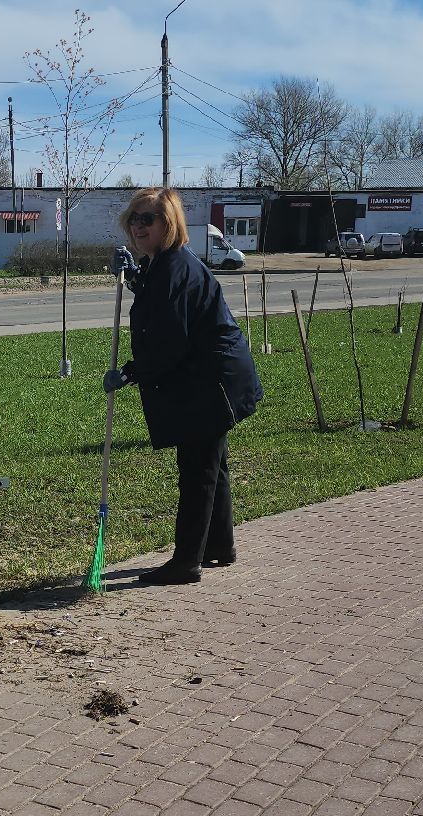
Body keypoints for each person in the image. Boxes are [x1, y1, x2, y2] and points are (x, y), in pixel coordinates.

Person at [103, 187, 262, 586]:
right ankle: (218, 546)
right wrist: (137, 278)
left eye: (148, 219)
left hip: (211, 382)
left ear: (168, 224)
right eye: (134, 219)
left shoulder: (175, 266)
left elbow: (169, 337)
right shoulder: (165, 263)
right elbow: (162, 301)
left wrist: (132, 371)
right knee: (213, 465)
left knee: (198, 470)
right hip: (209, 378)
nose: (139, 226)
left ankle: (187, 561)